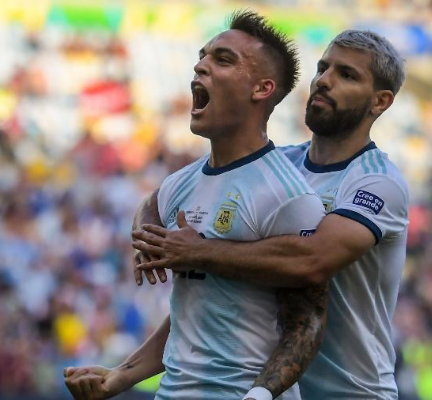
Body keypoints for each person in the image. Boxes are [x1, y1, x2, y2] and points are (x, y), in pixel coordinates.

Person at [64, 10, 328, 400]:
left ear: (261, 89)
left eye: (223, 60)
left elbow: (306, 325)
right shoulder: (178, 185)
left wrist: (259, 395)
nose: (200, 66)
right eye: (202, 56)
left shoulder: (288, 197)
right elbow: (193, 316)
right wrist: (122, 376)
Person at [133, 29, 409, 399]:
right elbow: (160, 199)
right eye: (323, 68)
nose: (324, 80)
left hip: (352, 392)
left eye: (346, 75)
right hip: (274, 390)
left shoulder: (377, 181)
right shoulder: (275, 167)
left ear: (380, 101)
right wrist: (149, 235)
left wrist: (195, 251)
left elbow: (311, 260)